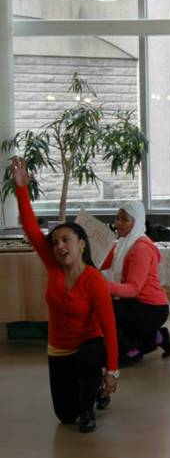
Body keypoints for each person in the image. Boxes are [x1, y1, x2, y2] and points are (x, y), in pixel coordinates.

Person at [11, 157, 119, 434]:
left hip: (87, 343)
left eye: (66, 240)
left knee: (89, 360)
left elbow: (108, 327)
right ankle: (88, 395)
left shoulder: (93, 279)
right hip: (58, 347)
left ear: (81, 245)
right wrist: (21, 189)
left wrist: (113, 370)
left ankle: (89, 406)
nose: (59, 246)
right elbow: (32, 230)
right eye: (56, 242)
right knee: (64, 416)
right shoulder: (53, 266)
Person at [100, 201, 170, 366]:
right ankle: (156, 337)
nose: (118, 223)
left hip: (151, 307)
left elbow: (133, 289)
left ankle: (130, 351)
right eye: (117, 218)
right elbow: (105, 267)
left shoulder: (140, 248)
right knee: (110, 306)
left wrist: (103, 285)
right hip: (137, 303)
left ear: (137, 221)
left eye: (124, 219)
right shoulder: (122, 244)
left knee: (104, 310)